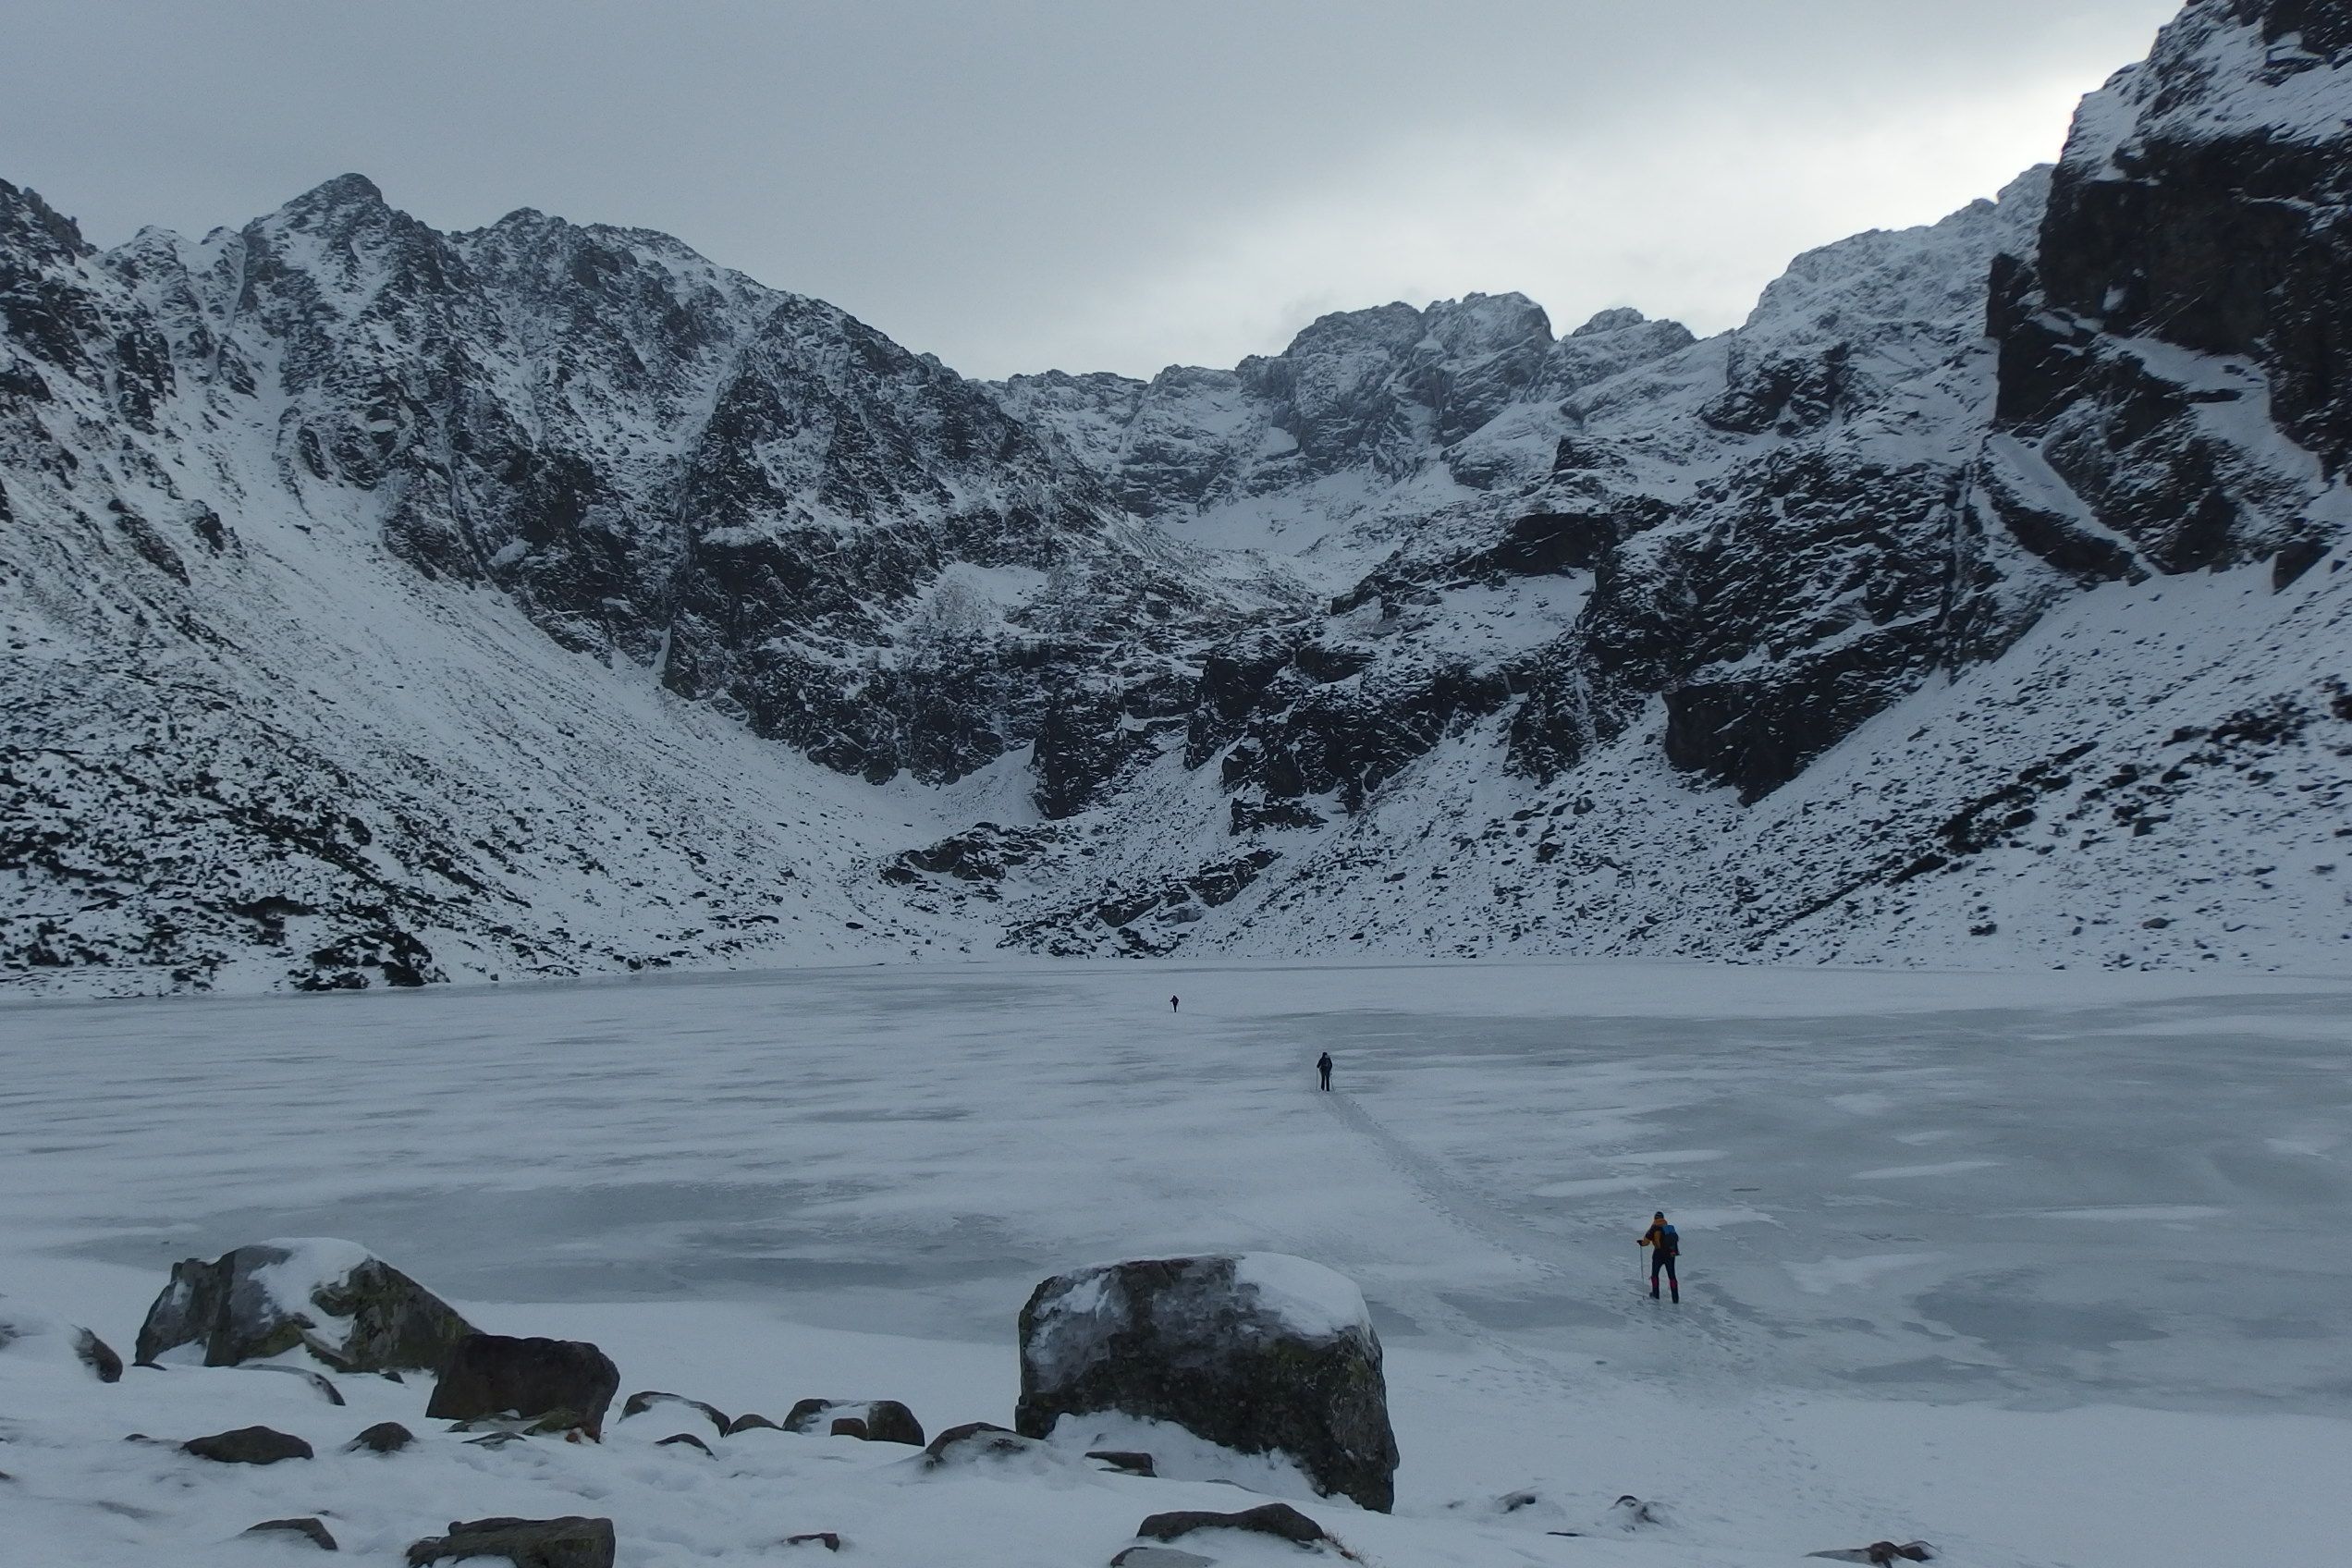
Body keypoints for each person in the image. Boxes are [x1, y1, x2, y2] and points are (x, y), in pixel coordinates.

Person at [1638, 1211, 1680, 1302]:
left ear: (1655, 1218)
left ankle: (1656, 1295)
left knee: (1655, 1275)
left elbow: (1646, 1243)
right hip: (1670, 1254)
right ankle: (1675, 1298)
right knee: (1672, 1276)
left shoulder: (1653, 1228)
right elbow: (1676, 1239)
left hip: (1658, 1254)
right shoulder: (1669, 1228)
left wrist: (1641, 1243)